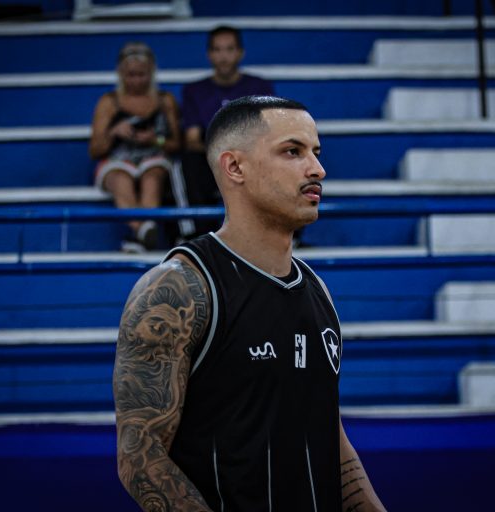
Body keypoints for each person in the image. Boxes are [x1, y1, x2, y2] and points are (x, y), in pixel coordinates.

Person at [113, 96, 386, 511]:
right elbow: (141, 458)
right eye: (292, 151)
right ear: (235, 167)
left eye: (316, 152)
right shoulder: (179, 288)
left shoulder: (318, 290)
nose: (317, 169)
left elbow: (331, 439)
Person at [180, 25, 275, 238]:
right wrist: (223, 155)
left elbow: (268, 133)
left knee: (280, 156)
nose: (223, 57)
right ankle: (201, 235)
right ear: (209, 54)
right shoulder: (194, 90)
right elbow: (192, 139)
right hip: (210, 159)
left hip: (251, 156)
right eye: (217, 50)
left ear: (240, 53)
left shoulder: (259, 87)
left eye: (229, 49)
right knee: (190, 160)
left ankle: (279, 234)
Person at [89, 42, 180, 252]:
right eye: (131, 75)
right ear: (121, 73)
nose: (137, 80)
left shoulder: (165, 101)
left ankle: (137, 238)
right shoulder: (109, 102)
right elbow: (95, 150)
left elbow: (177, 144)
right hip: (118, 159)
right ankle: (143, 230)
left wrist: (154, 140)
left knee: (152, 177)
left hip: (154, 156)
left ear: (152, 72)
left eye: (142, 74)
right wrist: (114, 132)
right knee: (121, 179)